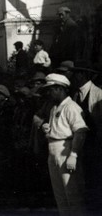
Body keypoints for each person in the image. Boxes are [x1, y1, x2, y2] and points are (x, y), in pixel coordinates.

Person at [40, 74, 88, 216]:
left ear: (60, 88)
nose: (48, 93)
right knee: (60, 194)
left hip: (66, 150)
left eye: (51, 89)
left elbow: (80, 131)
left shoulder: (71, 107)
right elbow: (60, 128)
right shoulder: (54, 108)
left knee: (72, 194)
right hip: (53, 150)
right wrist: (48, 128)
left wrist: (73, 154)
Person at [69, 63, 102, 212]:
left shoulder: (99, 94)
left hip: (95, 141)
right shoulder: (75, 94)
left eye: (78, 73)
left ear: (85, 75)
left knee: (93, 174)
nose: (75, 77)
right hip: (79, 140)